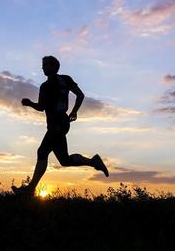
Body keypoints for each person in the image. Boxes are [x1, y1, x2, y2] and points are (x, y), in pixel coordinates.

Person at [12, 55, 109, 196]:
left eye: (45, 64)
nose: (43, 67)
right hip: (55, 124)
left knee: (42, 151)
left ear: (54, 66)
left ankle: (30, 189)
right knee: (65, 160)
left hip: (60, 123)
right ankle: (94, 162)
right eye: (43, 65)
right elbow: (41, 107)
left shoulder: (64, 80)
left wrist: (74, 111)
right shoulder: (45, 86)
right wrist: (30, 103)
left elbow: (80, 95)